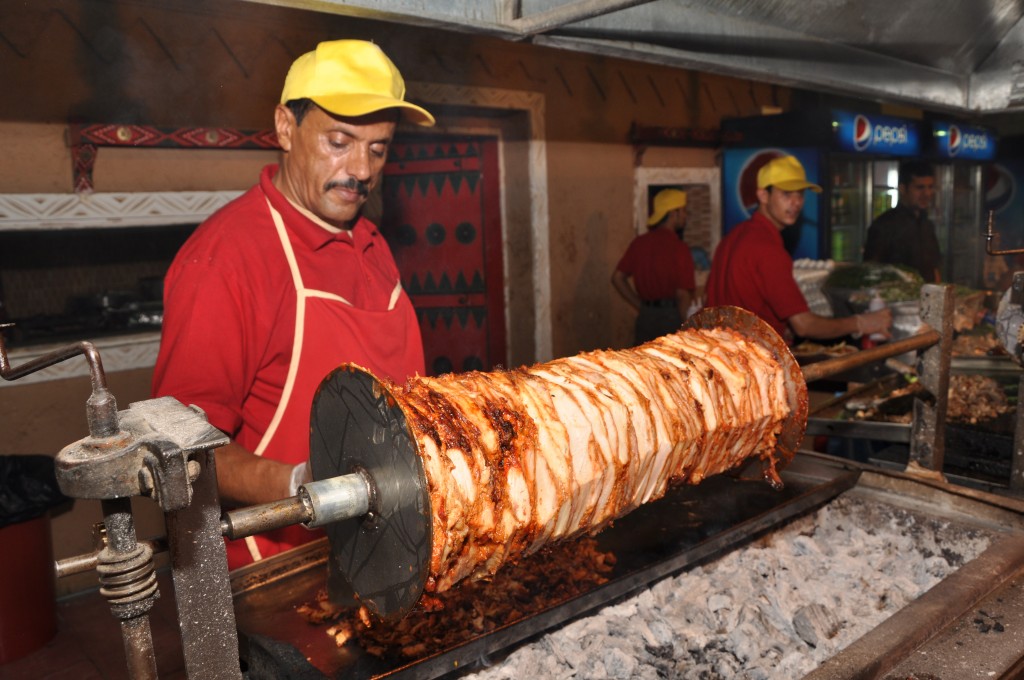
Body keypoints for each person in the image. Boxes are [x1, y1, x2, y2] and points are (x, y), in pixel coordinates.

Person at [151, 39, 435, 569]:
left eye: (378, 149)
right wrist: (299, 484)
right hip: (278, 567)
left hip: (382, 549)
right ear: (285, 127)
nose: (361, 169)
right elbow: (179, 453)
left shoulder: (371, 242)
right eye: (339, 141)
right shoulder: (226, 260)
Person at [706, 155, 891, 345]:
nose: (796, 203)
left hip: (722, 351)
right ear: (763, 196)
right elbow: (804, 325)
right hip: (752, 357)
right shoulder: (767, 249)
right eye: (786, 194)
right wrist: (862, 322)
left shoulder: (734, 235)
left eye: (800, 194)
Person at [612, 188, 696, 344]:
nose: (686, 215)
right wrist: (689, 328)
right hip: (671, 318)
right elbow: (682, 295)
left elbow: (617, 277)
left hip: (645, 318)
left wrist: (641, 306)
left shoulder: (639, 243)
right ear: (673, 213)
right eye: (683, 210)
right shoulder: (679, 248)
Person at [863, 161, 941, 283]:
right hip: (896, 293)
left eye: (930, 187)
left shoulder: (927, 224)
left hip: (927, 293)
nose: (927, 194)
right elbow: (871, 271)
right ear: (903, 189)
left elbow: (934, 267)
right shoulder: (884, 225)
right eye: (920, 187)